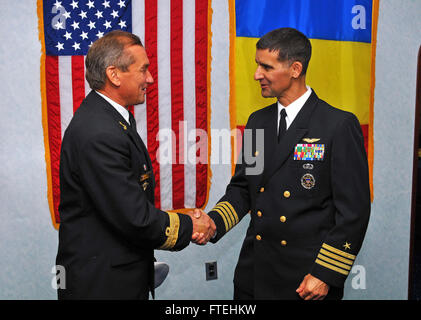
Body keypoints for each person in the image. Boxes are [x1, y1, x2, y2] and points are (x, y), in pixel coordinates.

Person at [206, 27, 371, 300]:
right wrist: (213, 222)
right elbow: (243, 190)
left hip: (306, 279)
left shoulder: (338, 125)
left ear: (295, 69)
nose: (257, 74)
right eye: (257, 65)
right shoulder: (258, 121)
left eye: (266, 67)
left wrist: (325, 274)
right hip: (254, 273)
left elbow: (353, 213)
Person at [56, 30, 215, 300]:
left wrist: (182, 215)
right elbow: (135, 219)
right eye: (143, 70)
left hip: (115, 276)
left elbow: (125, 200)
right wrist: (189, 226)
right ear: (114, 74)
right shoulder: (99, 132)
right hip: (102, 285)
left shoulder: (110, 119)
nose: (150, 79)